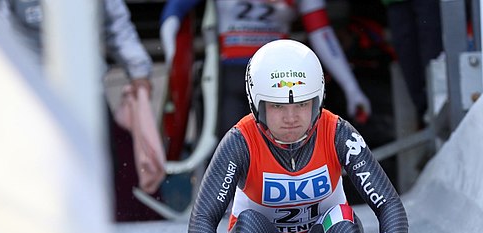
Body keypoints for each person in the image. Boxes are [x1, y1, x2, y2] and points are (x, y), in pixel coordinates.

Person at [187, 39, 409, 233]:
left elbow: (388, 203)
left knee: (344, 214)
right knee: (249, 218)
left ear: (318, 100)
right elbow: (202, 219)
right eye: (278, 106)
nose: (291, 118)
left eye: (302, 104)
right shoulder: (240, 141)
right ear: (257, 104)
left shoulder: (337, 132)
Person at [0, 0, 164, 221]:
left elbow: (115, 23)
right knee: (39, 180)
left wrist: (138, 69)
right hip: (33, 96)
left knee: (101, 178)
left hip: (87, 93)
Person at [160, 0, 373, 142]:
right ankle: (226, 207)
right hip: (231, 75)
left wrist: (352, 88)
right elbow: (175, 10)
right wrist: (173, 56)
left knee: (282, 145)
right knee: (229, 145)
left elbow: (321, 33)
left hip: (278, 77)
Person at [381, 0, 443, 124]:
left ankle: (438, 110)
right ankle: (427, 115)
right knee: (409, 62)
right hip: (395, 3)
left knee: (434, 55)